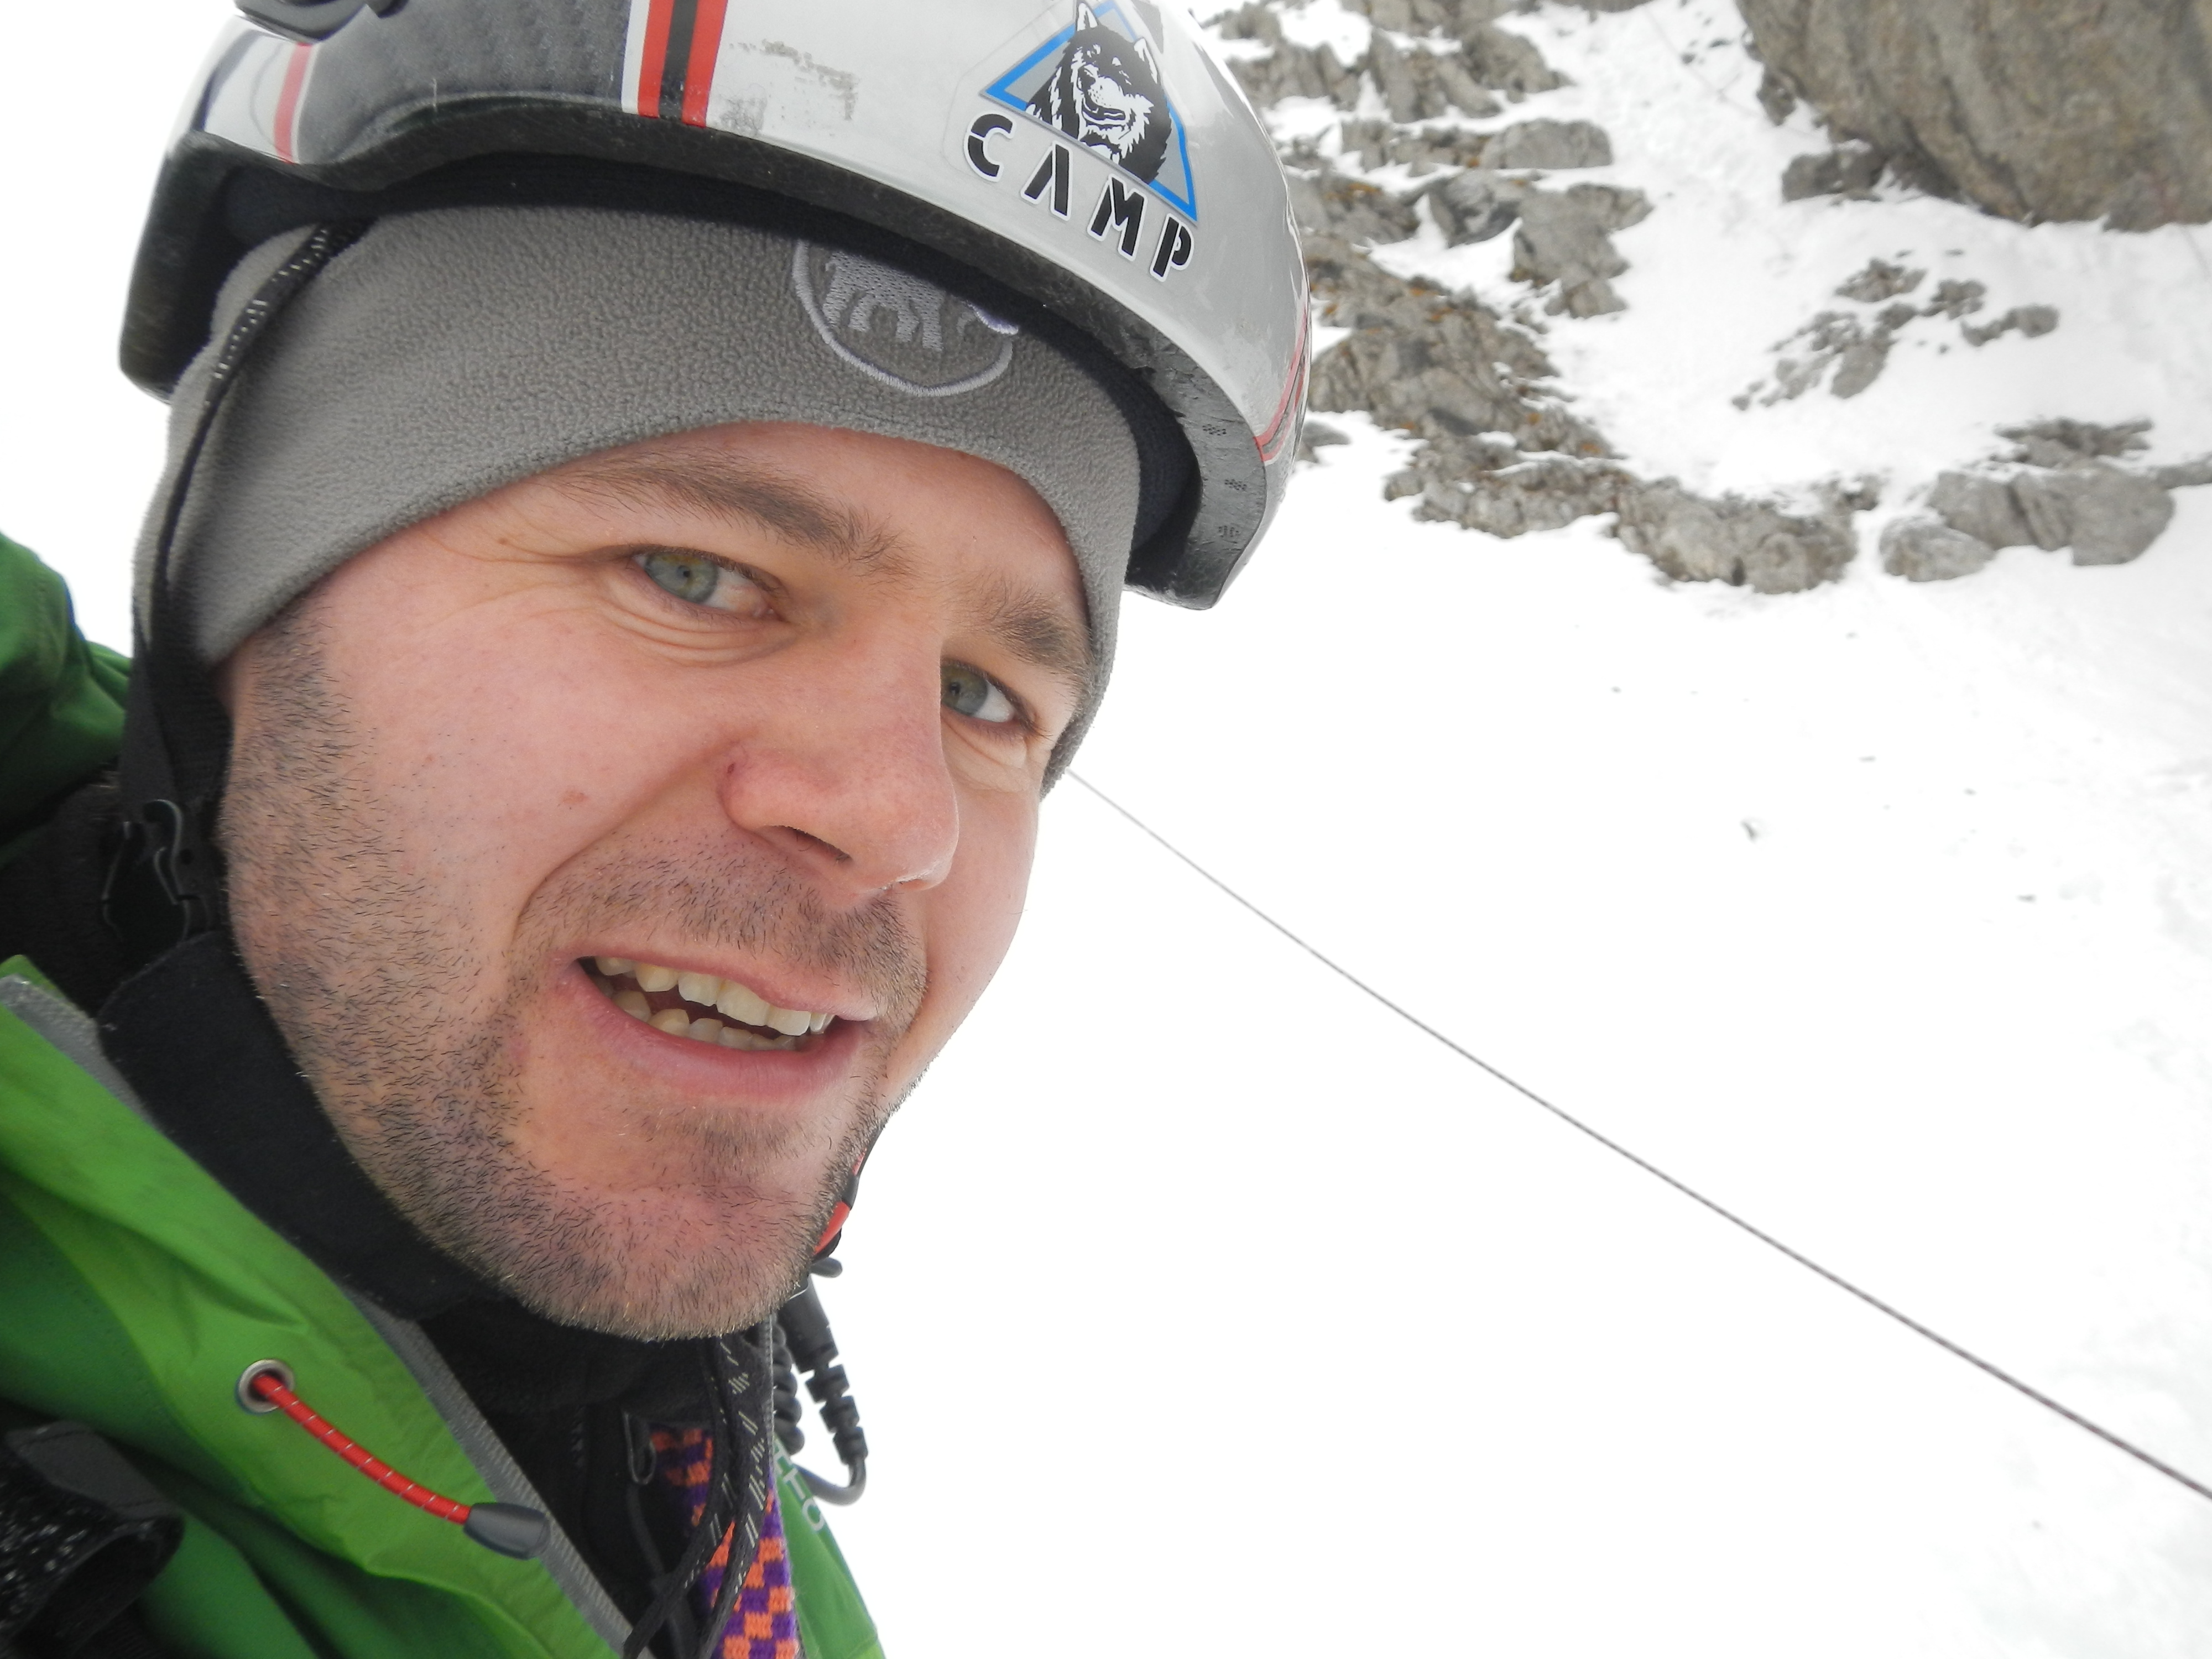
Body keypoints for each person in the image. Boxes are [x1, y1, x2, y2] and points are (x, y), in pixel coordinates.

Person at [0, 2, 1306, 1656]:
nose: (896, 817)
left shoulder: (695, 1490)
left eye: (987, 697)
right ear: (238, 604)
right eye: (696, 578)